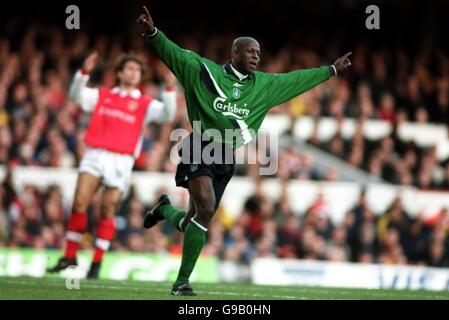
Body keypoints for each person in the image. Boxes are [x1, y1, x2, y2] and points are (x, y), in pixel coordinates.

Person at [137, 5, 351, 295]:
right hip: (200, 144)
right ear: (235, 53)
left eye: (259, 53)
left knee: (193, 220)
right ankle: (181, 283)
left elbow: (296, 79)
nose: (256, 56)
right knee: (208, 210)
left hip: (227, 156)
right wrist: (153, 34)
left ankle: (165, 209)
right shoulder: (204, 71)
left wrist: (330, 70)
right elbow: (173, 53)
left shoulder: (264, 85)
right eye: (250, 51)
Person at [47, 52, 177, 278]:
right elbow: (76, 96)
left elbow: (168, 114)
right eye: (129, 68)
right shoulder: (102, 95)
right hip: (95, 155)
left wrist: (168, 88)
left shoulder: (144, 103)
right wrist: (83, 73)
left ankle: (96, 263)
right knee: (79, 203)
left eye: (137, 70)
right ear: (119, 73)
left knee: (108, 209)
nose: (133, 73)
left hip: (121, 160)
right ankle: (70, 255)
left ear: (141, 76)